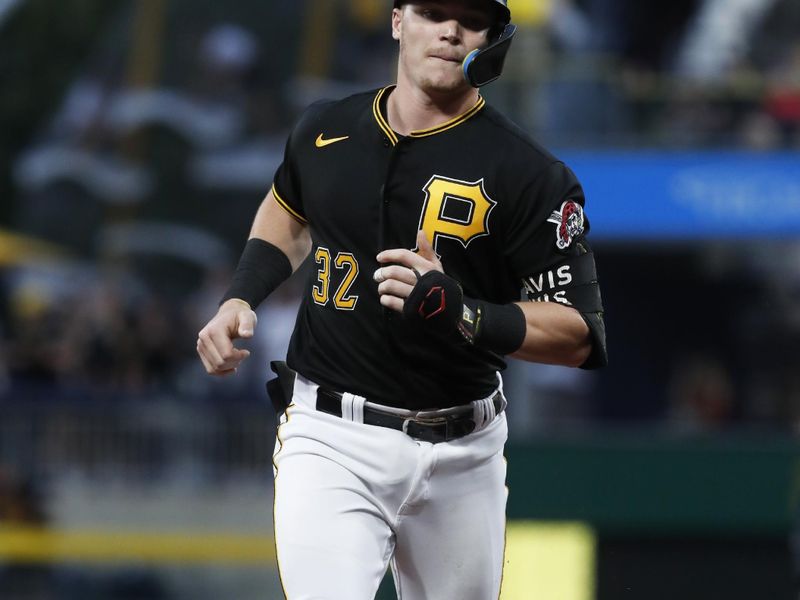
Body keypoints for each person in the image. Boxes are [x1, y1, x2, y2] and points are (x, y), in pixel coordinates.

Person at [196, 1, 607, 598]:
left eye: (468, 18)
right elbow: (288, 213)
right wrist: (241, 294)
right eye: (431, 10)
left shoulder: (529, 173)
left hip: (464, 451)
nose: (448, 29)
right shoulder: (324, 128)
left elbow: (579, 331)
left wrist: (462, 313)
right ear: (397, 20)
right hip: (332, 437)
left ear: (492, 39)